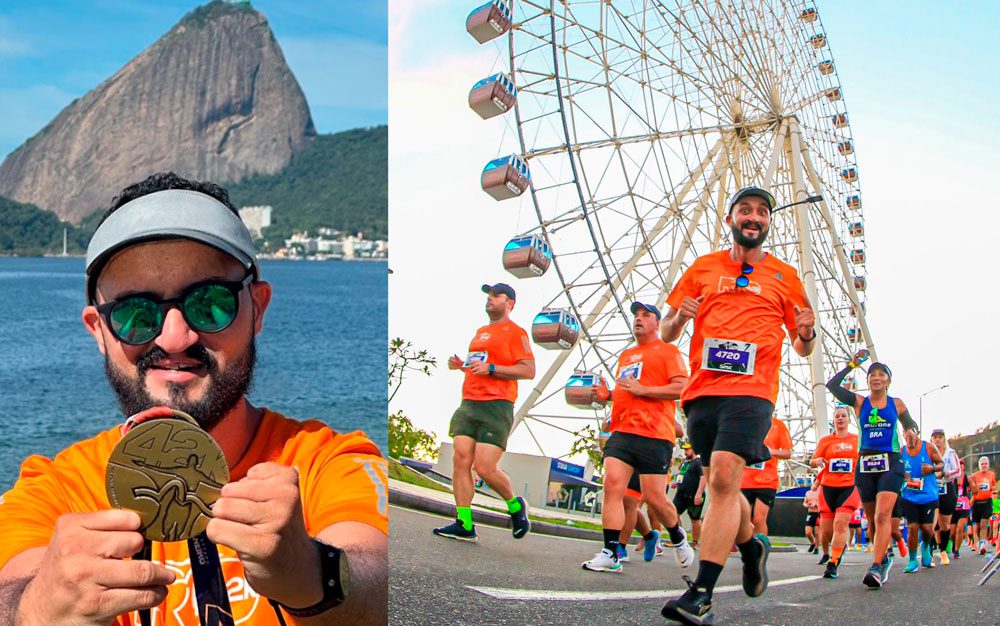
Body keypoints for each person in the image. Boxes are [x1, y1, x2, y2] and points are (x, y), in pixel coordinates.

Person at [0, 173, 388, 625]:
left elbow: (376, 570)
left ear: (257, 309)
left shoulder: (326, 462)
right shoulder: (56, 489)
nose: (175, 337)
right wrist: (36, 608)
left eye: (210, 304)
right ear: (98, 331)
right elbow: (11, 586)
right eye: (134, 313)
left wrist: (315, 573)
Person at [659, 186, 817, 625]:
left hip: (753, 392)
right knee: (721, 486)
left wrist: (805, 332)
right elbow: (669, 332)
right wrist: (679, 317)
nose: (754, 217)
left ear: (768, 223)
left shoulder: (786, 277)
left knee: (726, 477)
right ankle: (751, 546)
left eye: (762, 212)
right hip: (702, 392)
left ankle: (702, 594)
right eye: (745, 210)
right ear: (731, 219)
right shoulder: (703, 268)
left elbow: (803, 349)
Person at [582, 302, 694, 573]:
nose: (639, 320)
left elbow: (682, 387)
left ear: (658, 324)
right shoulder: (627, 356)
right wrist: (607, 396)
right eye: (636, 316)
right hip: (622, 433)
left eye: (646, 315)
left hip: (655, 435)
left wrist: (645, 390)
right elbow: (627, 391)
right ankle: (610, 552)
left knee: (656, 499)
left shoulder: (668, 351)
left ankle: (677, 536)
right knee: (612, 487)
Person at [434, 283, 535, 542]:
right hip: (468, 403)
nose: (490, 299)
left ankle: (515, 505)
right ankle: (464, 523)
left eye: (496, 295)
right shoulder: (480, 333)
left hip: (497, 406)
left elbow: (527, 370)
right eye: (488, 295)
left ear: (509, 303)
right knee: (460, 459)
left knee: (485, 467)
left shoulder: (517, 333)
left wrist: (490, 368)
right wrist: (462, 367)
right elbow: (478, 365)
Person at [826, 352, 919, 588]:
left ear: (888, 380)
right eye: (872, 375)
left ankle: (876, 567)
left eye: (881, 375)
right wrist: (852, 364)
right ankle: (884, 556)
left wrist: (910, 431)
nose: (876, 378)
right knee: (872, 521)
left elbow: (910, 423)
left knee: (882, 515)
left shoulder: (896, 403)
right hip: (866, 464)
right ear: (868, 380)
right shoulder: (859, 402)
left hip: (891, 462)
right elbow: (832, 385)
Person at [810, 406, 861, 579]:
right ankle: (839, 547)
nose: (840, 418)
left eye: (844, 416)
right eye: (837, 416)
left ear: (848, 420)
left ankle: (833, 563)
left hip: (849, 486)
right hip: (828, 487)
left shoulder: (857, 439)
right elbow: (812, 461)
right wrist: (817, 461)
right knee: (827, 531)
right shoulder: (826, 441)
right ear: (834, 420)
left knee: (840, 524)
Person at [899, 429, 944, 573]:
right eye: (906, 435)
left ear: (917, 433)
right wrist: (901, 475)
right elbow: (895, 470)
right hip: (909, 495)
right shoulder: (901, 451)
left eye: (911, 434)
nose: (909, 438)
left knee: (927, 529)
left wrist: (932, 468)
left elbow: (941, 464)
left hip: (928, 496)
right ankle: (912, 561)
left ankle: (925, 547)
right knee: (912, 528)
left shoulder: (929, 447)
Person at [740, 415, 792, 538]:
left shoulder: (778, 425)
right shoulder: (743, 422)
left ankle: (760, 550)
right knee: (743, 519)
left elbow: (787, 453)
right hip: (744, 480)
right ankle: (749, 547)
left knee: (759, 518)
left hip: (767, 480)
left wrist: (771, 452)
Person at [930, 428, 961, 566]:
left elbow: (958, 471)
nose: (937, 439)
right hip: (931, 488)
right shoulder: (928, 452)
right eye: (935, 437)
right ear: (931, 439)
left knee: (945, 523)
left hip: (947, 488)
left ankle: (943, 551)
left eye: (940, 437)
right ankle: (929, 552)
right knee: (929, 522)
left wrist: (944, 474)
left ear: (944, 439)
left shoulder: (950, 452)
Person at [673, 441, 707, 547]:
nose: (685, 452)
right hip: (680, 495)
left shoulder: (699, 462)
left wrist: (699, 493)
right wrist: (676, 482)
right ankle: (680, 538)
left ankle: (695, 541)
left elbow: (703, 478)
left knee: (695, 519)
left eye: (687, 450)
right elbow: (682, 474)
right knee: (673, 514)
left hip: (694, 496)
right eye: (684, 450)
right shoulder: (686, 462)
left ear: (693, 450)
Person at [969, 456, 998, 555]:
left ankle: (983, 544)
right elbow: (969, 488)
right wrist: (976, 487)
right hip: (977, 502)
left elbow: (993, 486)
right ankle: (975, 542)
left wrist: (993, 489)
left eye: (986, 464)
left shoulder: (991, 474)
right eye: (982, 464)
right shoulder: (974, 475)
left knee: (983, 523)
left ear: (988, 465)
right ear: (979, 466)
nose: (984, 466)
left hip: (987, 501)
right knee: (976, 526)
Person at [951, 459, 971, 559]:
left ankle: (957, 551)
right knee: (952, 532)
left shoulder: (967, 477)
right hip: (953, 506)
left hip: (964, 505)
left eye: (962, 465)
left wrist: (973, 485)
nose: (960, 467)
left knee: (960, 528)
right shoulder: (952, 478)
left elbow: (973, 489)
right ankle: (954, 544)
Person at [803, 487, 820, 555]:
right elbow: (804, 503)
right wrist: (807, 505)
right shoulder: (808, 493)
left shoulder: (821, 492)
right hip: (810, 513)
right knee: (808, 532)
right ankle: (813, 543)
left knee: (817, 533)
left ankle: (816, 548)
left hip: (818, 513)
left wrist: (817, 505)